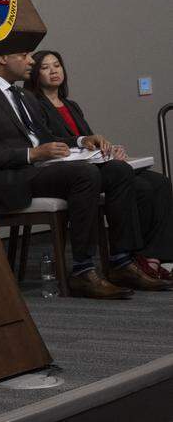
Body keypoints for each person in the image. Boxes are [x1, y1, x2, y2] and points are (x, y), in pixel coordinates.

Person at [0, 52, 172, 298]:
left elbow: (46, 139)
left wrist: (81, 140)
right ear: (2, 57)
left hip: (41, 169)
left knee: (119, 170)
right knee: (85, 175)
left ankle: (121, 262)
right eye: (25, 55)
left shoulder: (22, 95)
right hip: (15, 176)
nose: (31, 62)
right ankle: (83, 271)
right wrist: (31, 155)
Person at [26, 50, 173, 272]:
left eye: (57, 65)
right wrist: (87, 143)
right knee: (140, 186)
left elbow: (90, 143)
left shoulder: (71, 105)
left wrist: (110, 150)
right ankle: (130, 257)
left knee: (160, 183)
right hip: (70, 171)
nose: (53, 71)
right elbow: (50, 142)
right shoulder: (35, 105)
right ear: (35, 75)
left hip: (96, 164)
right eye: (45, 67)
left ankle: (154, 254)